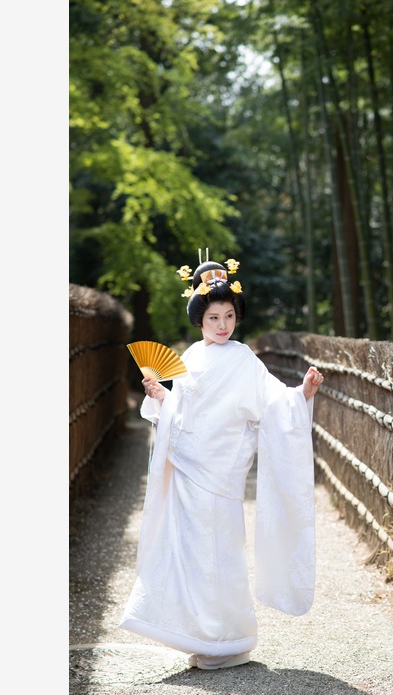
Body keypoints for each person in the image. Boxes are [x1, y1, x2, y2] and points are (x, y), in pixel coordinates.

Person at [119, 256, 325, 670]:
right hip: (188, 467)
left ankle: (226, 638)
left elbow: (272, 401)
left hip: (220, 473)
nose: (222, 324)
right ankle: (200, 634)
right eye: (213, 316)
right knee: (190, 551)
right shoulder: (192, 357)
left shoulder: (244, 359)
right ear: (199, 319)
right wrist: (162, 397)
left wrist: (300, 392)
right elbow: (184, 410)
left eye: (229, 315)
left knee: (221, 552)